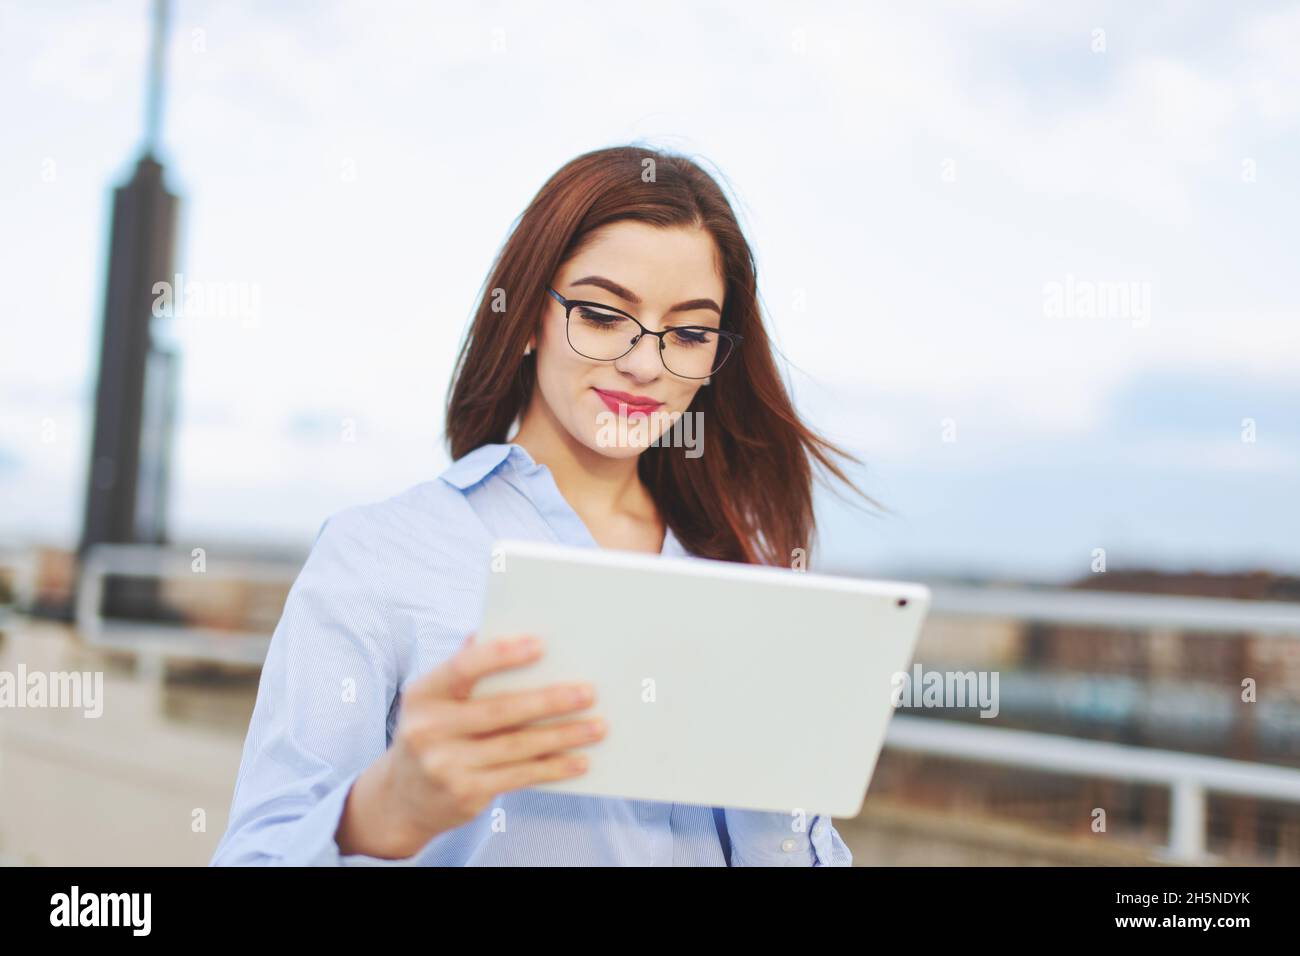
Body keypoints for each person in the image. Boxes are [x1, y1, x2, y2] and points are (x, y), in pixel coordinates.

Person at [210, 145, 873, 866]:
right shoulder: (377, 554)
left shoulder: (747, 574)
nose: (645, 363)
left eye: (688, 333)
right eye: (599, 314)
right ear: (527, 314)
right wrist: (384, 809)